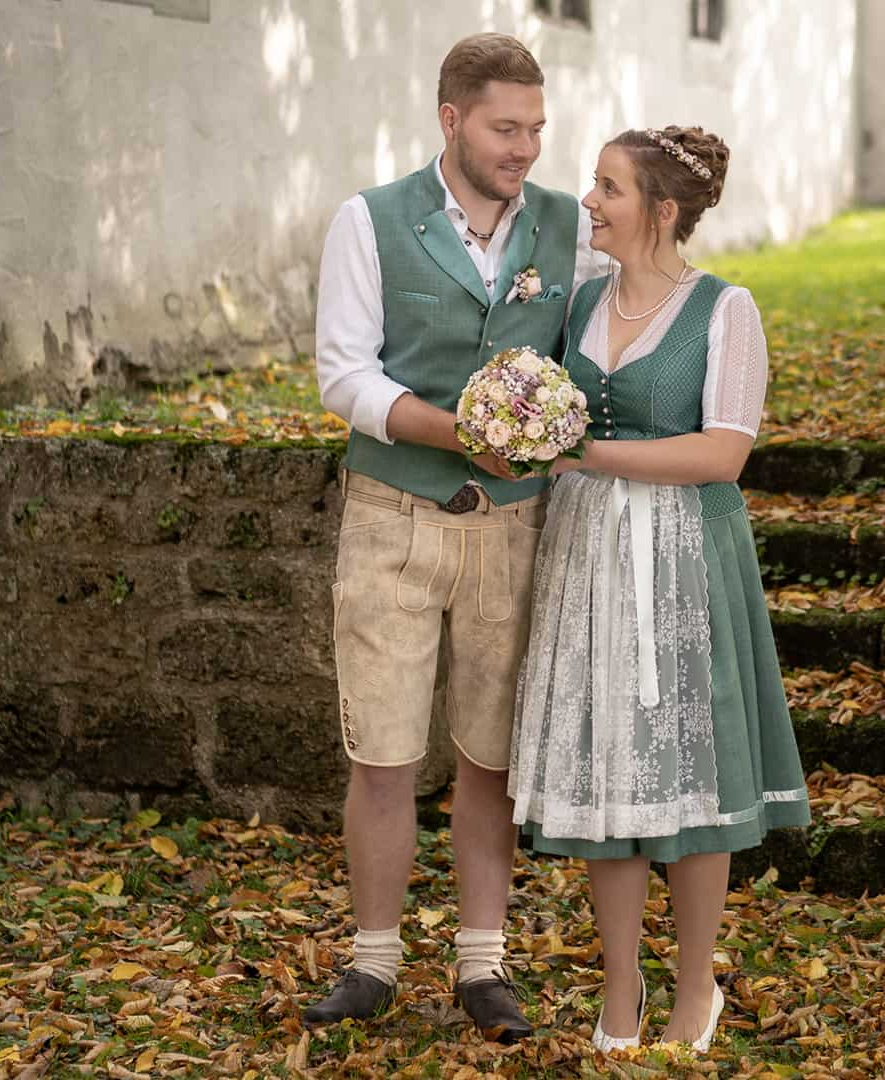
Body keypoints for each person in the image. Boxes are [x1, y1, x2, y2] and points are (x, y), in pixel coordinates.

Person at [306, 32, 596, 1040]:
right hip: (392, 521)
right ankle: (373, 963)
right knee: (382, 755)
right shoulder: (369, 219)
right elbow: (343, 373)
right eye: (504, 128)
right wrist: (462, 430)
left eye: (537, 130)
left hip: (512, 534)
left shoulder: (568, 228)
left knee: (490, 759)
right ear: (451, 119)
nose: (524, 149)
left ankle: (483, 967)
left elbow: (605, 343)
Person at [506, 125, 811, 1053]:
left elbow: (724, 452)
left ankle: (695, 989)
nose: (588, 201)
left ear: (662, 210)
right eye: (593, 184)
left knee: (690, 769)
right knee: (608, 765)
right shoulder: (582, 303)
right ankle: (620, 988)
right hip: (588, 555)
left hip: (683, 557)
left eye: (609, 187)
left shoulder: (726, 310)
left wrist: (581, 452)